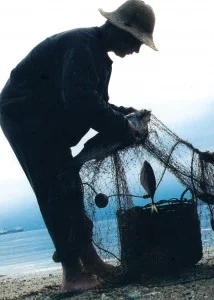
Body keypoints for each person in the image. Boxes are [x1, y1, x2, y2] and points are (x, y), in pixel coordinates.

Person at [0, 0, 157, 292]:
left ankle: (91, 261)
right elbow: (81, 102)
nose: (136, 49)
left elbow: (97, 103)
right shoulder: (82, 46)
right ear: (119, 29)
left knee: (71, 184)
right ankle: (72, 275)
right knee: (54, 187)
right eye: (136, 41)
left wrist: (126, 114)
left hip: (46, 117)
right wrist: (124, 127)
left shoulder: (99, 57)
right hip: (24, 114)